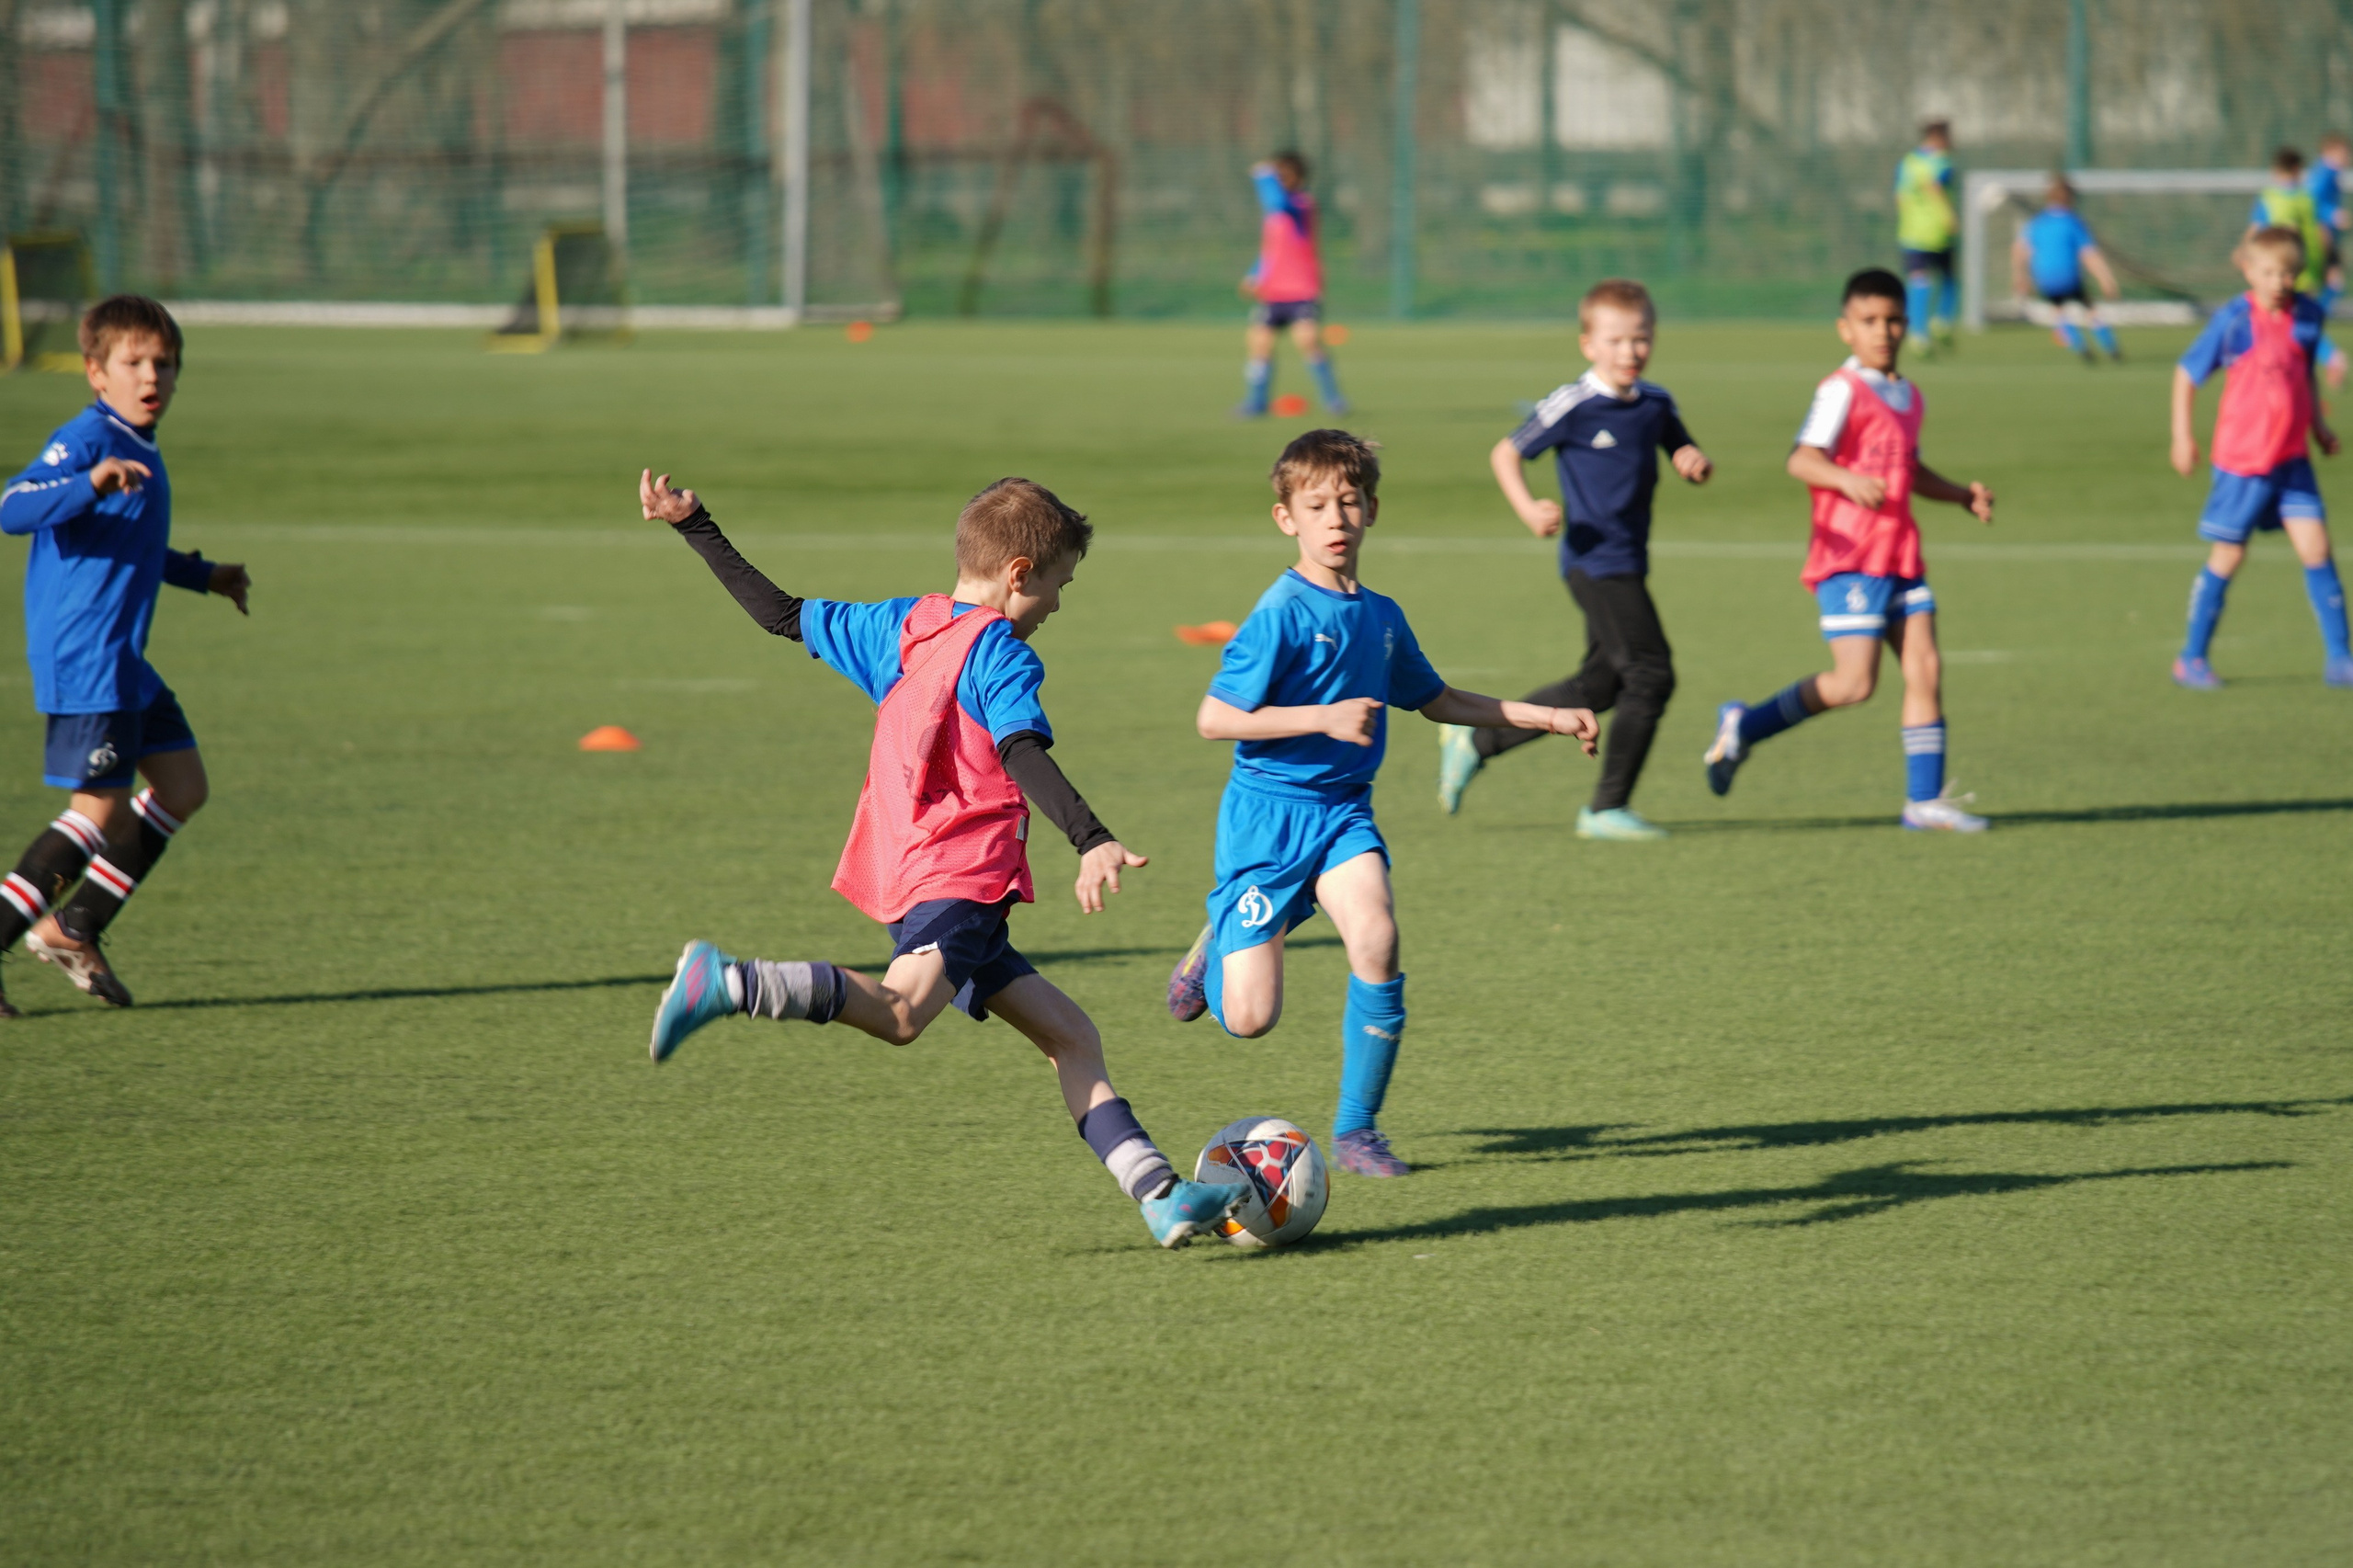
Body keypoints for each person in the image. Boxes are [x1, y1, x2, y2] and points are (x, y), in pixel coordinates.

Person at [636, 471, 1248, 1249]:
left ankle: (1160, 1195)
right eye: (1060, 584)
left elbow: (783, 615)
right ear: (1019, 574)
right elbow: (1019, 748)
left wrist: (697, 527)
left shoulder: (904, 625)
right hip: (957, 878)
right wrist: (1091, 839)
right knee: (900, 1015)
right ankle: (728, 983)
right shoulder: (1000, 653)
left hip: (928, 879)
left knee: (1071, 1036)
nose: (1059, 602)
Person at [1164, 430, 1599, 1177]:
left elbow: (1438, 700)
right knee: (1251, 1018)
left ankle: (1358, 1132)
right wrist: (1320, 718)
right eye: (1316, 506)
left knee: (1377, 937)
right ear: (1286, 519)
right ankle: (1216, 937)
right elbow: (1214, 719)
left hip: (1342, 815)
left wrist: (1545, 717)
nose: (1334, 519)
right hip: (1267, 824)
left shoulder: (1381, 616)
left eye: (1347, 503)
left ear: (1371, 511)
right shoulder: (1280, 613)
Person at [0, 296, 250, 1017]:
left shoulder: (140, 448)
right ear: (95, 373)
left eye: (163, 364)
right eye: (132, 363)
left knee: (182, 788)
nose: (151, 376)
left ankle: (75, 927)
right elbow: (14, 505)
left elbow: (133, 547)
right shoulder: (88, 437)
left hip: (123, 661)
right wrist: (89, 481)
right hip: (87, 657)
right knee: (96, 814)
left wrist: (205, 576)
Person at [1700, 268, 1996, 831]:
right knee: (1853, 685)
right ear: (1845, 328)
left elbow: (1907, 467)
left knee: (1925, 668)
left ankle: (1924, 802)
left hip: (1900, 551)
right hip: (1851, 554)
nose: (1882, 332)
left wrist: (1959, 494)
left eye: (1892, 321)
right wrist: (1844, 480)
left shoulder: (1908, 394)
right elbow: (1801, 458)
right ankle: (1744, 725)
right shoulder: (1841, 389)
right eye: (1869, 321)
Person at [1438, 278, 1712, 841]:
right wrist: (1529, 510)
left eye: (1640, 339)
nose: (1629, 351)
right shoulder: (1575, 404)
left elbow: (1680, 446)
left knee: (1602, 685)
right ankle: (1606, 808)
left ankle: (1477, 740)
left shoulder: (1657, 404)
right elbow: (1507, 453)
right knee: (1651, 674)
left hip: (1630, 560)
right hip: (1593, 563)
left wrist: (1691, 460)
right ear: (1588, 344)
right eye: (1615, 340)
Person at [2169, 226, 2346, 689]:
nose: (2279, 282)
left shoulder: (2308, 315)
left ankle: (2340, 659)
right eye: (2268, 272)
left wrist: (2320, 429)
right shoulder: (2235, 320)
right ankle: (2191, 658)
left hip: (2292, 461)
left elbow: (2303, 374)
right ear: (2248, 271)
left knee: (2317, 549)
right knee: (2229, 554)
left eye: (2287, 273)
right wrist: (2182, 436)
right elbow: (2187, 374)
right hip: (2243, 463)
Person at [1236, 152, 1347, 419]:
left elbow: (1277, 202)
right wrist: (1255, 275)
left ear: (1298, 177)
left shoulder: (1302, 205)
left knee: (1308, 340)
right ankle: (1256, 401)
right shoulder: (1274, 218)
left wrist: (1263, 177)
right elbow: (1272, 252)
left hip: (1301, 289)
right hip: (1274, 292)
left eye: (1284, 175)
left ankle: (1333, 398)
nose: (1280, 179)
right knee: (1259, 343)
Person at [2012, 176, 2123, 362]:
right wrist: (2106, 279)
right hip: (2069, 276)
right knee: (2090, 309)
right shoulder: (2073, 222)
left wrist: (2021, 277)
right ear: (2070, 198)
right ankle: (2111, 347)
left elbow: (2019, 250)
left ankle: (2079, 346)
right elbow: (2090, 254)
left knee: (2058, 311)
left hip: (2045, 278)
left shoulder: (2038, 222)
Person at [1895, 119, 1960, 353]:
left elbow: (1900, 197)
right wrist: (1949, 216)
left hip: (1912, 233)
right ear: (1939, 137)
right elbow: (1935, 187)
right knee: (1950, 278)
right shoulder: (1941, 162)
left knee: (1918, 281)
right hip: (1937, 232)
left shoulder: (1908, 163)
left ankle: (1917, 334)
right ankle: (1942, 320)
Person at [2304, 134, 2348, 391]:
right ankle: (2330, 355)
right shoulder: (2323, 174)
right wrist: (2332, 215)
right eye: (2344, 152)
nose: (2348, 157)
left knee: (2331, 291)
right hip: (2319, 249)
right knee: (2312, 310)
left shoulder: (2331, 175)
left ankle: (2327, 353)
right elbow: (2311, 204)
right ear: (2331, 151)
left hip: (2327, 248)